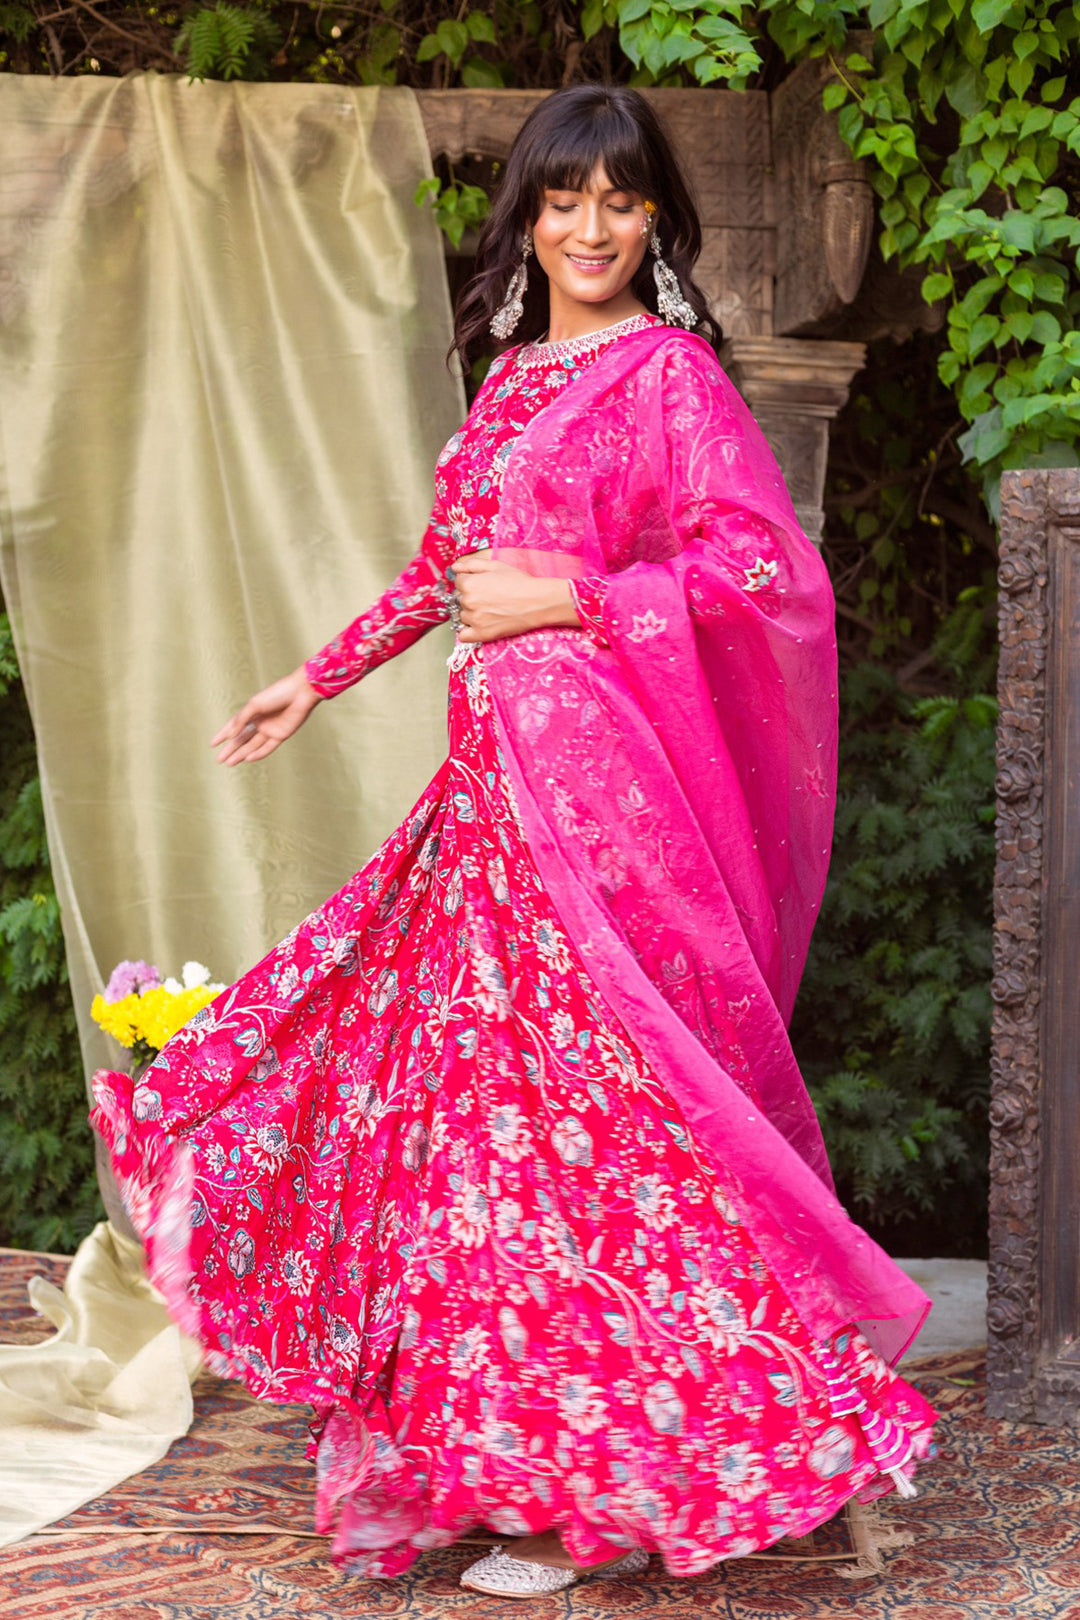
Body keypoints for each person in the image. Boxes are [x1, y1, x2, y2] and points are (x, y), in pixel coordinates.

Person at [90, 84, 937, 1598]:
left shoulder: (669, 378)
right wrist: (318, 674)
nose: (593, 228)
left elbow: (767, 575)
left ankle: (593, 1491)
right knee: (483, 1139)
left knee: (593, 1129)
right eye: (566, 200)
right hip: (492, 788)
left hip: (610, 803)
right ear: (529, 217)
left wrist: (581, 598)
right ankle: (509, 1459)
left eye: (623, 201)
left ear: (655, 221)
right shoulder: (512, 383)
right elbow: (443, 569)